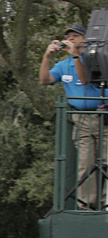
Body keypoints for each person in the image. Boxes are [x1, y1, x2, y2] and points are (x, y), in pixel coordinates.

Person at [40, 24, 104, 209]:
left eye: (75, 36)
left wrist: (76, 55)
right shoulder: (63, 65)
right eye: (68, 36)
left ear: (85, 39)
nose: (71, 39)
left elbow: (84, 80)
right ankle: (86, 204)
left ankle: (106, 202)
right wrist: (47, 56)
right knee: (85, 164)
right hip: (81, 119)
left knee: (106, 161)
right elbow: (44, 80)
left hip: (103, 118)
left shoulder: (96, 59)